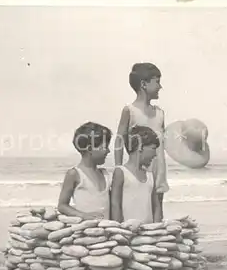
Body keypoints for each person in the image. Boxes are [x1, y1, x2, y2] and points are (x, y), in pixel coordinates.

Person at [114, 62, 169, 216]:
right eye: (157, 81)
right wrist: (119, 169)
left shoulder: (160, 113)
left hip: (158, 168)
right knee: (135, 206)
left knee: (157, 209)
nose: (160, 86)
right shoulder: (130, 111)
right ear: (144, 84)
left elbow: (162, 143)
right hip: (138, 169)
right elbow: (119, 140)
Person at [57, 122, 112, 220]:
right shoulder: (75, 174)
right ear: (90, 149)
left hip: (106, 230)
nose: (108, 151)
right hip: (86, 231)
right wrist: (82, 215)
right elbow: (62, 206)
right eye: (105, 147)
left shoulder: (105, 174)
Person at [111, 125, 162, 223]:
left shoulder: (150, 175)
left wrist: (156, 228)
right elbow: (115, 205)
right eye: (153, 148)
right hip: (128, 231)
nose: (155, 154)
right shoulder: (121, 172)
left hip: (148, 233)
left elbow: (156, 206)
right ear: (140, 147)